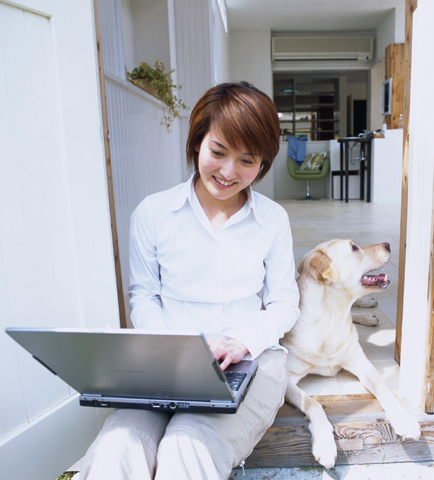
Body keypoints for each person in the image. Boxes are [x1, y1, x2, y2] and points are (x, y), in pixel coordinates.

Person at [75, 82, 300, 480]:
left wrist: (240, 342)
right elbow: (143, 296)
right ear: (197, 142)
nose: (229, 172)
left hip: (251, 361)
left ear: (263, 163)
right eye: (218, 152)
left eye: (247, 161)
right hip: (164, 363)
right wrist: (171, 350)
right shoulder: (153, 213)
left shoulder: (272, 220)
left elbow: (284, 303)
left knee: (189, 444)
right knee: (119, 445)